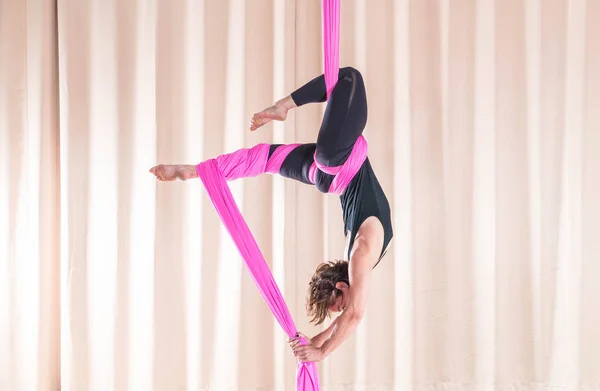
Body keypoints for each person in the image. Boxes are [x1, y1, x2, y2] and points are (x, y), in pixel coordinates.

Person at [150, 67, 393, 363]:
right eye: (338, 306)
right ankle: (192, 171)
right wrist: (318, 344)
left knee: (348, 78)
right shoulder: (359, 254)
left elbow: (353, 314)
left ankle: (278, 111)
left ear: (342, 285)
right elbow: (350, 314)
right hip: (331, 167)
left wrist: (319, 349)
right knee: (263, 159)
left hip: (334, 161)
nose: (344, 308)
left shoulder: (360, 253)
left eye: (338, 304)